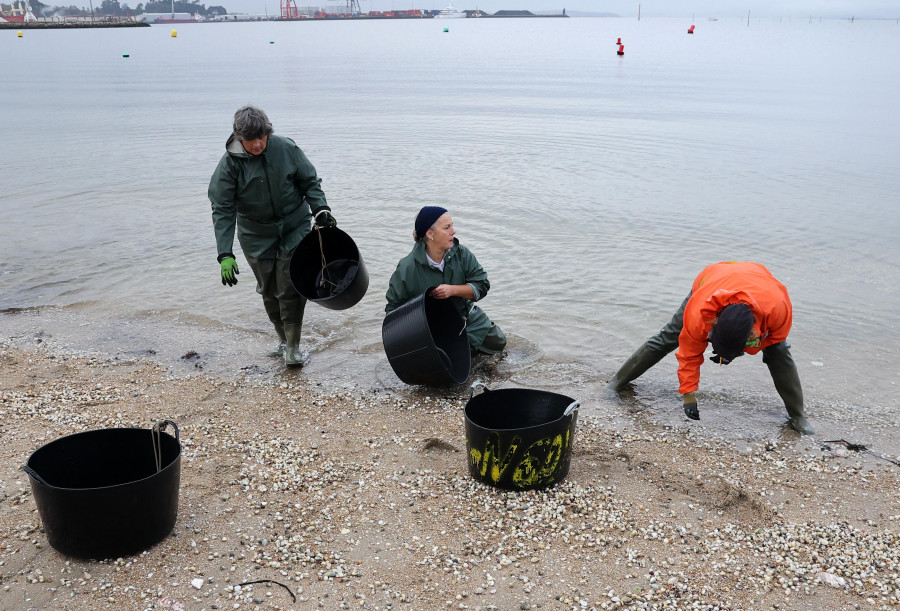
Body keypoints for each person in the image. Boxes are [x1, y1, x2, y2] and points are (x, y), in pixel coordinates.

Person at [607, 261, 814, 434]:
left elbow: (775, 339)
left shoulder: (778, 310)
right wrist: (688, 394)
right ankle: (615, 384)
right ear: (714, 322)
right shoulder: (700, 313)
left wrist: (747, 347)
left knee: (778, 352)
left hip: (760, 283)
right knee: (669, 336)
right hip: (711, 279)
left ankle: (798, 416)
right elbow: (689, 353)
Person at [209, 105, 336, 366]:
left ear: (268, 133)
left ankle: (293, 346)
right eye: (251, 140)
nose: (257, 144)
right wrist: (225, 253)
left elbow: (310, 181)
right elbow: (222, 208)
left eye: (262, 138)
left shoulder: (285, 148)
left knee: (289, 283)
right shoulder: (229, 164)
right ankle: (281, 338)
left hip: (294, 224)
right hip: (255, 233)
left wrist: (321, 209)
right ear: (238, 138)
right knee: (268, 289)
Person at [385, 206, 506, 355]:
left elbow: (482, 285)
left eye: (452, 225)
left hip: (465, 317)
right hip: (430, 329)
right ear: (430, 234)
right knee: (446, 362)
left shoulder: (462, 254)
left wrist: (453, 290)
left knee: (499, 342)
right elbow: (393, 311)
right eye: (447, 227)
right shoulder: (406, 268)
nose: (453, 231)